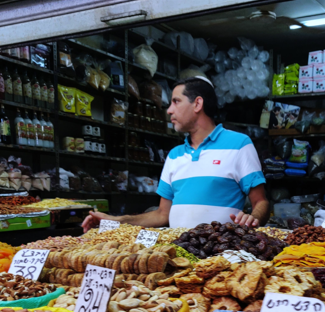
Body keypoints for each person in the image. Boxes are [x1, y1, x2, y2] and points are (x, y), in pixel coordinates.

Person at [82, 76, 269, 232]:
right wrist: (114, 221)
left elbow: (261, 202)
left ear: (197, 104)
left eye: (176, 101)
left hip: (222, 256)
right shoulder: (174, 155)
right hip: (180, 255)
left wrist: (252, 219)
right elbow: (162, 215)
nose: (169, 110)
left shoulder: (238, 144)